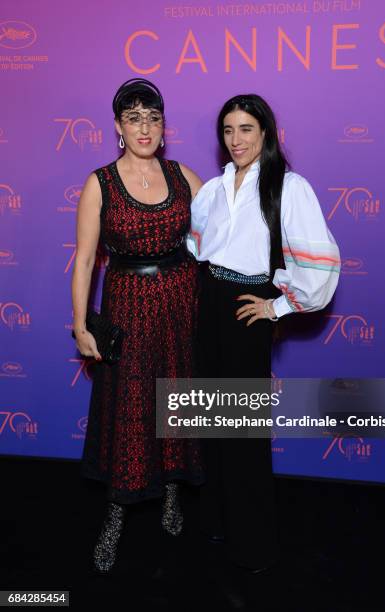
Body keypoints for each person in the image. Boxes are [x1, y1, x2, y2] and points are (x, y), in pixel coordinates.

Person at [187, 94, 340, 575]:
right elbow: (196, 248)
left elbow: (320, 265)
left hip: (244, 310)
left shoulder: (288, 187)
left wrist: (277, 305)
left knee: (243, 431)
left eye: (246, 129)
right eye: (228, 130)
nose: (236, 140)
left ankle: (253, 543)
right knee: (207, 423)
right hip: (206, 303)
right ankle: (216, 519)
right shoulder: (211, 188)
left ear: (267, 133)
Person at [71, 78, 204, 574]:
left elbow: (222, 239)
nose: (144, 127)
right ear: (118, 128)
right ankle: (115, 517)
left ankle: (171, 493)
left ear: (164, 127)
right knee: (129, 409)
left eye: (153, 117)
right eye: (133, 118)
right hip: (127, 306)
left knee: (175, 398)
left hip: (181, 303)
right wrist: (80, 324)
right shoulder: (99, 182)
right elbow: (85, 261)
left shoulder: (185, 176)